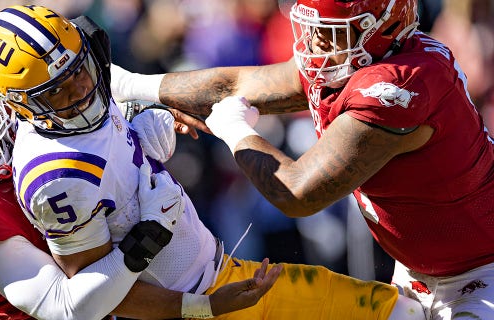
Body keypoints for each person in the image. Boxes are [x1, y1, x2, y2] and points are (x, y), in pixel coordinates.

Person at [0, 4, 425, 320]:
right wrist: (160, 258)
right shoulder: (56, 178)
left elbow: (112, 109)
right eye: (57, 92)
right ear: (19, 104)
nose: (80, 92)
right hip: (194, 304)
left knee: (397, 311)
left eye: (78, 72)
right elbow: (91, 303)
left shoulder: (89, 83)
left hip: (223, 273)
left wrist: (143, 117)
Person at [110, 0, 494, 319]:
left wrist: (236, 130)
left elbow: (297, 192)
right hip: (426, 268)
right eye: (312, 28)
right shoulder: (366, 59)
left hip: (479, 275)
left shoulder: (399, 85)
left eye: (330, 32)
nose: (315, 42)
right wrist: (129, 84)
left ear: (381, 30)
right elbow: (235, 85)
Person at [0, 62, 281, 320]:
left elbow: (87, 88)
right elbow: (67, 308)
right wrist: (149, 234)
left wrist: (136, 111)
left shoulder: (32, 129)